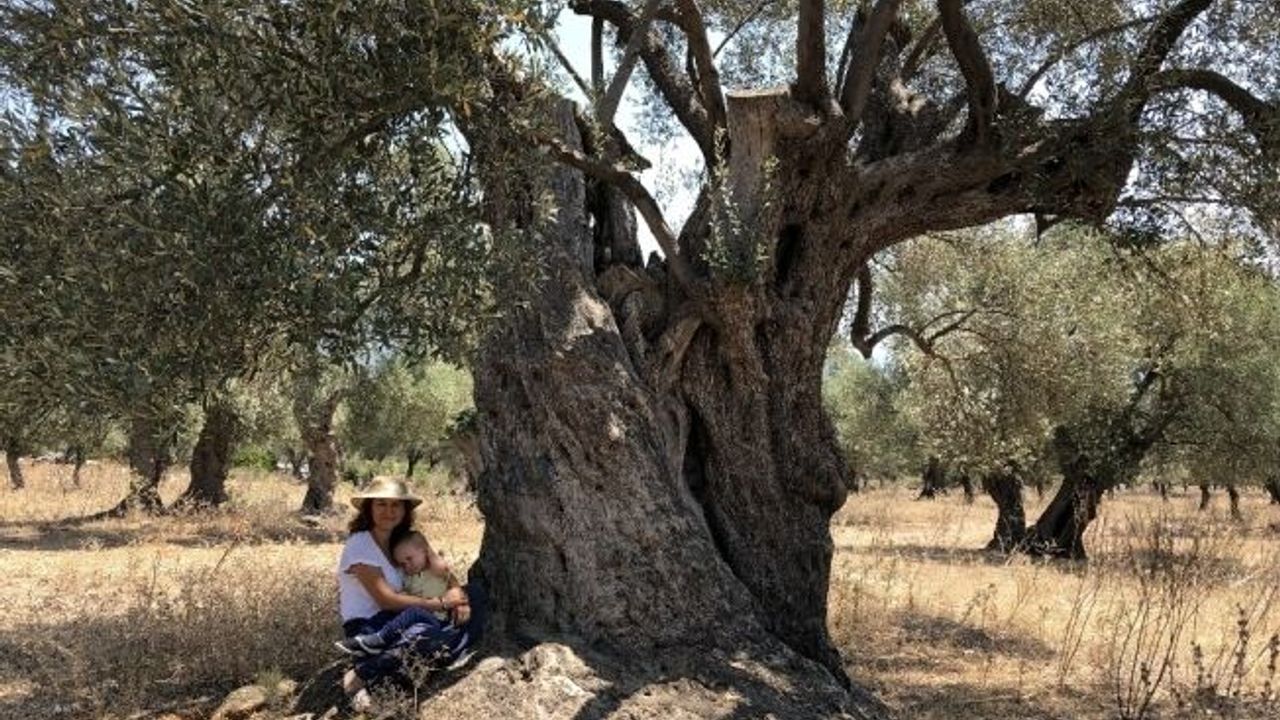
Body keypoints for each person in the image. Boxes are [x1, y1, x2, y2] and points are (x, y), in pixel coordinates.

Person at [336, 476, 486, 709]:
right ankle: (365, 672)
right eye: (381, 504)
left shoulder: (405, 540)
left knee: (475, 593)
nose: (389, 511)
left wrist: (459, 597)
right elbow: (386, 600)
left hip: (409, 617)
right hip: (371, 625)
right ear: (369, 508)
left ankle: (416, 654)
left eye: (396, 504)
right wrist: (442, 603)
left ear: (405, 510)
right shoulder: (360, 543)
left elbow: (440, 569)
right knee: (426, 632)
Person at [334, 530, 467, 657]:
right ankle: (366, 638)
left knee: (414, 611)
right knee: (389, 613)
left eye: (410, 559)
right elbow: (402, 596)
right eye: (402, 564)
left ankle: (379, 639)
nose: (407, 566)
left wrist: (459, 601)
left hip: (438, 619)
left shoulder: (435, 569)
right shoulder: (408, 577)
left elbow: (446, 572)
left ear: (424, 551)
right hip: (418, 618)